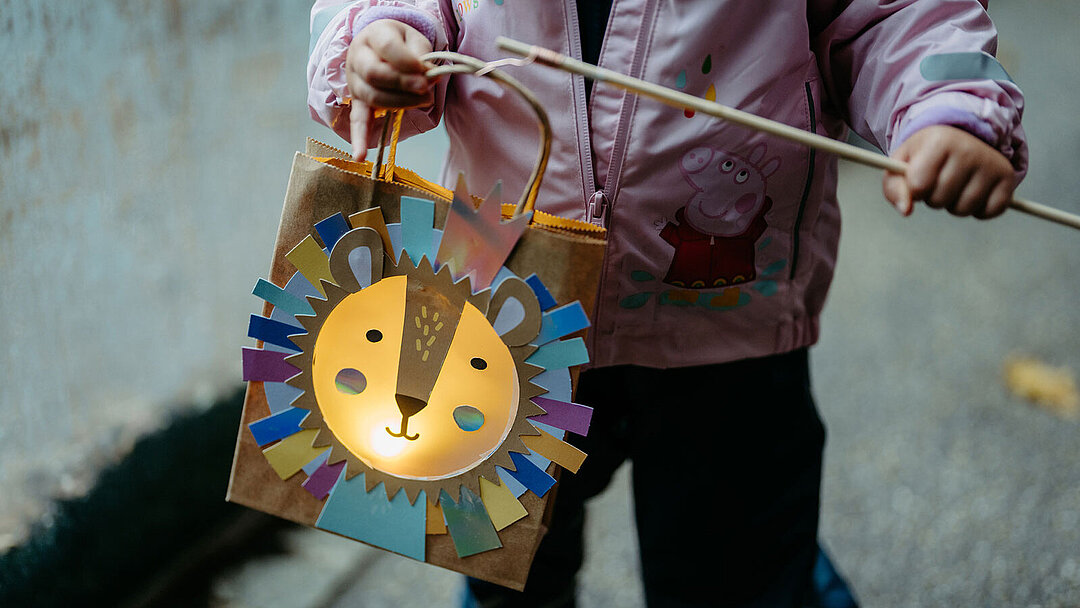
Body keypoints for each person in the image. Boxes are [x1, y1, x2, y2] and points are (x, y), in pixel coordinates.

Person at [307, 2, 1026, 606]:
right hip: (504, 314)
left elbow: (893, 13)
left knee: (737, 573)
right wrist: (379, 32)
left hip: (727, 327)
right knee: (503, 573)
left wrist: (950, 107)